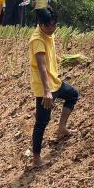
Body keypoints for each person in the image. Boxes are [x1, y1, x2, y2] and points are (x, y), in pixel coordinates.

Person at [29, 9, 79, 168]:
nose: (53, 29)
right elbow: (41, 66)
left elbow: (50, 56)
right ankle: (36, 158)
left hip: (54, 82)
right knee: (42, 122)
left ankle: (62, 127)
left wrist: (65, 60)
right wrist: (47, 92)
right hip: (45, 87)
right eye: (49, 26)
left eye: (54, 25)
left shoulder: (49, 35)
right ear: (40, 24)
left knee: (73, 95)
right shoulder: (37, 40)